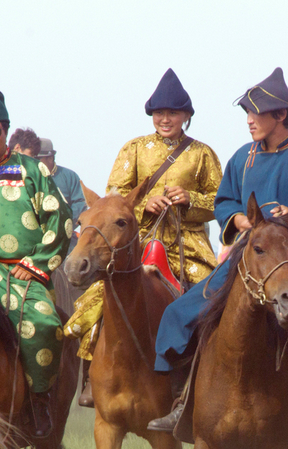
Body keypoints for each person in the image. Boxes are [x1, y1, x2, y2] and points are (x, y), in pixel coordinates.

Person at [147, 67, 288, 433]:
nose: (249, 121)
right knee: (180, 314)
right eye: (247, 115)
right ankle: (183, 402)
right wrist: (235, 219)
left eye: (256, 114)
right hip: (245, 261)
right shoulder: (242, 157)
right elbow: (224, 201)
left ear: (280, 115)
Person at [66, 69, 221, 407]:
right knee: (95, 299)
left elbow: (218, 201)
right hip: (134, 241)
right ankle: (91, 377)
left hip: (187, 246)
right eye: (159, 113)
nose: (165, 119)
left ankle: (193, 377)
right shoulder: (132, 149)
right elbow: (113, 197)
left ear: (186, 116)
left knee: (210, 298)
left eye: (173, 113)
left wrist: (189, 200)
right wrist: (144, 204)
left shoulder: (202, 154)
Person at [0, 88, 70, 437]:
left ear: (5, 130)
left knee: (45, 324)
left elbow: (61, 221)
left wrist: (37, 263)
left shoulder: (32, 170)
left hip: (21, 270)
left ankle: (38, 401)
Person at [36, 138, 86, 232]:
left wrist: (64, 224)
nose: (34, 162)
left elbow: (80, 203)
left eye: (38, 159)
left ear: (50, 158)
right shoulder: (30, 178)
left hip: (65, 235)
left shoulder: (70, 176)